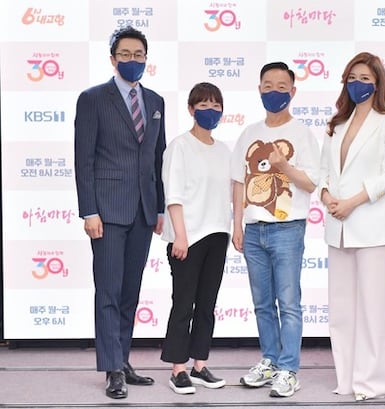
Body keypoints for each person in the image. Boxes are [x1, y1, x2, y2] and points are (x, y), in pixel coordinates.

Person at [74, 26, 165, 399]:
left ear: (146, 59)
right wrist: (89, 211)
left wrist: (159, 207)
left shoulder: (156, 101)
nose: (132, 60)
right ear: (113, 59)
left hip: (143, 211)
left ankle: (122, 359)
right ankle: (112, 368)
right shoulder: (93, 99)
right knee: (109, 292)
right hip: (108, 212)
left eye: (138, 54)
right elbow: (84, 159)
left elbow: (157, 159)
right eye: (125, 54)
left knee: (130, 293)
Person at [319, 52, 385, 402]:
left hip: (373, 227)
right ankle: (348, 379)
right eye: (352, 78)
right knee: (341, 310)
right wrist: (327, 196)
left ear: (378, 83)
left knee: (374, 310)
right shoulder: (336, 124)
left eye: (365, 78)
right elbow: (323, 172)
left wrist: (352, 202)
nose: (358, 84)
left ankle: (374, 383)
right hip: (338, 228)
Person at [230, 62, 320, 398]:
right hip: (254, 230)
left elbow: (311, 183)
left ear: (293, 92)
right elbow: (238, 181)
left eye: (281, 87)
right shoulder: (249, 133)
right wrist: (237, 225)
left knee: (289, 302)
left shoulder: (303, 133)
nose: (274, 92)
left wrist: (284, 166)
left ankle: (288, 369)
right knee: (262, 303)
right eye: (267, 86)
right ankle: (269, 360)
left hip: (287, 229)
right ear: (259, 90)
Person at [159, 82, 231, 395]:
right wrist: (180, 236)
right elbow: (173, 195)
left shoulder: (224, 150)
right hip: (187, 237)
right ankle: (178, 369)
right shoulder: (180, 146)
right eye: (203, 105)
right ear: (191, 109)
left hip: (218, 234)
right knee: (183, 304)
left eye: (216, 106)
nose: (210, 111)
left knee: (207, 305)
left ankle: (200, 365)